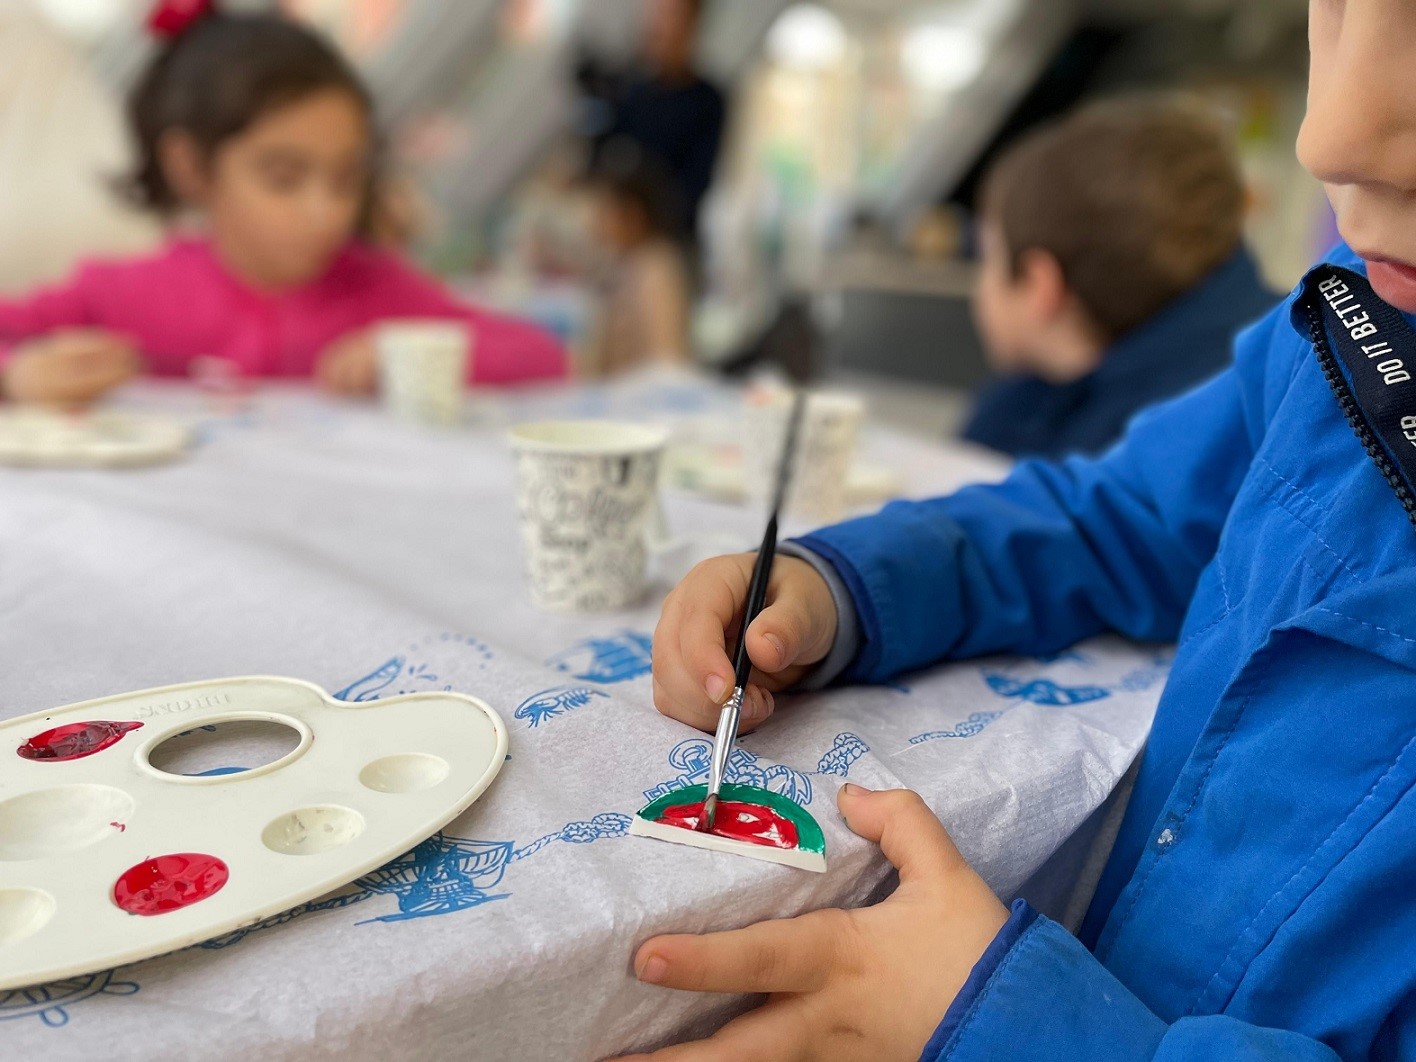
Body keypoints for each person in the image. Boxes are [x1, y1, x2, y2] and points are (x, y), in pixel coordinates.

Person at [625, 1, 1416, 1057]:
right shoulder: (1352, 330)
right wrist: (844, 587)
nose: (1335, 135)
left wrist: (1018, 1027)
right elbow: (1121, 514)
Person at [0, 0, 566, 407]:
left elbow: (543, 355)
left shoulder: (379, 291)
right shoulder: (122, 294)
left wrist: (402, 355)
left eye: (346, 178)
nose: (326, 212)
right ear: (191, 167)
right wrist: (15, 376)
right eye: (283, 178)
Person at [961, 99, 1275, 460]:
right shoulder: (1284, 346)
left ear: (1039, 284)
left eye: (987, 257)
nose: (981, 286)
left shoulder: (1117, 463)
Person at [590, 0, 726, 244]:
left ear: (691, 23)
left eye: (669, 15)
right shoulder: (628, 89)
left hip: (666, 238)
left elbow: (694, 187)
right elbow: (600, 161)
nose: (658, 25)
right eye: (655, 13)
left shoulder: (707, 103)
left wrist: (644, 220)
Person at [583, 156, 692, 376]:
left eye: (605, 211)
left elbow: (666, 358)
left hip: (645, 391)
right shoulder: (624, 262)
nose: (596, 221)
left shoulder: (655, 269)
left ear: (633, 215)